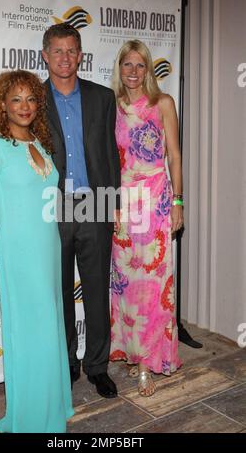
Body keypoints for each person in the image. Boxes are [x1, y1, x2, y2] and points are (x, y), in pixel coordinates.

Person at [0, 70, 73, 433]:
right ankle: (31, 416)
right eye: (16, 100)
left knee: (49, 327)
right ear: (3, 106)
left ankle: (52, 407)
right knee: (30, 332)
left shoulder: (40, 145)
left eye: (30, 99)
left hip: (48, 248)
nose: (24, 106)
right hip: (20, 255)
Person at [42, 23, 121, 398]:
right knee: (57, 292)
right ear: (45, 55)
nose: (65, 57)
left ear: (81, 55)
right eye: (57, 50)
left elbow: (110, 156)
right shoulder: (32, 100)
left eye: (71, 50)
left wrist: (114, 203)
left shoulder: (103, 98)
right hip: (50, 209)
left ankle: (97, 366)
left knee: (96, 292)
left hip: (95, 204)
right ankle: (67, 363)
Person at [109, 40, 183, 397]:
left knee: (154, 286)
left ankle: (148, 364)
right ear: (119, 68)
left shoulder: (162, 104)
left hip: (155, 201)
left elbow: (175, 157)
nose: (134, 72)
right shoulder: (112, 107)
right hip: (124, 202)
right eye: (128, 65)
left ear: (148, 69)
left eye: (140, 65)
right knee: (126, 282)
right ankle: (130, 352)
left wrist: (179, 201)